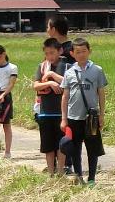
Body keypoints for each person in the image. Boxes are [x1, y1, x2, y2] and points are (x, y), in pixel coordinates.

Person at [62, 39, 109, 184]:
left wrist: (102, 114)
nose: (81, 55)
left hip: (91, 117)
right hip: (74, 116)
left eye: (84, 51)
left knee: (92, 148)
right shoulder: (69, 72)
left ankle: (92, 178)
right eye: (77, 52)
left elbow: (101, 93)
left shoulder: (97, 70)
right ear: (72, 54)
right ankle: (79, 175)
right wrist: (64, 118)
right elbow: (65, 96)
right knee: (75, 148)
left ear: (89, 51)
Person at [32, 37, 66, 173]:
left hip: (61, 112)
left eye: (52, 52)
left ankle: (61, 170)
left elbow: (67, 82)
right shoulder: (41, 67)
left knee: (61, 145)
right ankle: (51, 172)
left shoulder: (66, 65)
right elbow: (35, 85)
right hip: (45, 111)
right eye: (47, 53)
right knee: (48, 146)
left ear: (60, 51)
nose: (49, 56)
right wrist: (50, 83)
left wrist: (52, 74)